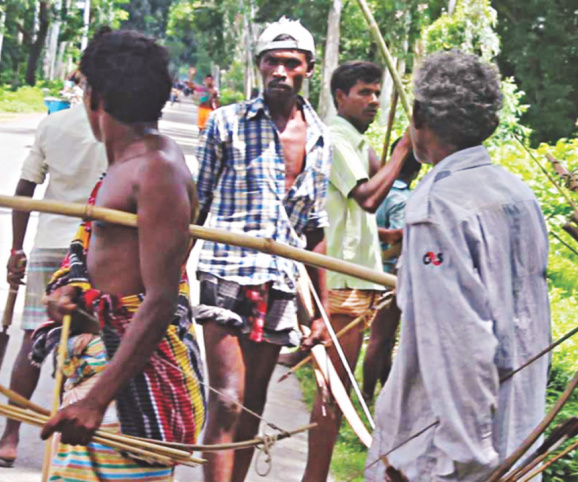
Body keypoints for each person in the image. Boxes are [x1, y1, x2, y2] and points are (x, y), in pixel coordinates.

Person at [365, 50, 551, 481]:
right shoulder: (517, 193)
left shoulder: (437, 206)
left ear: (418, 116)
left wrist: (460, 460)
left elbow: (457, 344)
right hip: (519, 442)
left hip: (451, 460)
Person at [34, 29, 205, 482]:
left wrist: (97, 400)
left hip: (123, 391)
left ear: (96, 98)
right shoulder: (131, 164)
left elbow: (160, 298)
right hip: (104, 375)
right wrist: (73, 298)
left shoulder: (156, 169)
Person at [193, 17, 331, 482]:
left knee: (253, 403)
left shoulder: (320, 138)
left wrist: (320, 312)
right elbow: (197, 203)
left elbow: (314, 228)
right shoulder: (226, 123)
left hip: (280, 282)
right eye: (271, 62)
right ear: (259, 65)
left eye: (291, 63)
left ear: (308, 68)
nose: (280, 72)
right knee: (228, 399)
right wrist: (167, 278)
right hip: (225, 271)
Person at [0, 79, 107, 470]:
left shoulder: (54, 124)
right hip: (95, 251)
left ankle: (9, 440)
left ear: (83, 83)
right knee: (86, 345)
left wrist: (17, 249)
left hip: (50, 246)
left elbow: (25, 188)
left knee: (32, 340)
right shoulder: (122, 128)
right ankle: (68, 450)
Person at [302, 60, 413, 482]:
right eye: (364, 92)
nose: (374, 101)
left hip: (358, 280)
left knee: (339, 390)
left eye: (377, 93)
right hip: (341, 282)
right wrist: (402, 148)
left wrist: (386, 234)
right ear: (340, 96)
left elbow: (358, 210)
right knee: (334, 393)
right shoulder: (335, 138)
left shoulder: (356, 141)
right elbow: (367, 197)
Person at [360, 145, 421, 402]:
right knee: (381, 337)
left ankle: (384, 387)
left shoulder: (376, 189)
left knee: (385, 338)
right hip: (389, 274)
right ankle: (366, 394)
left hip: (365, 269)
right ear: (417, 169)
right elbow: (398, 240)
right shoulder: (403, 199)